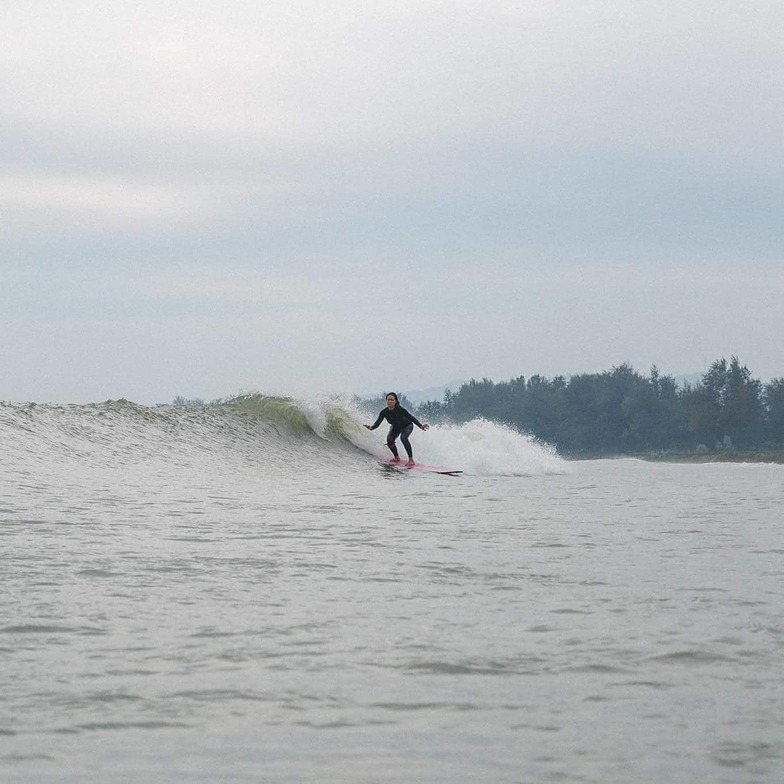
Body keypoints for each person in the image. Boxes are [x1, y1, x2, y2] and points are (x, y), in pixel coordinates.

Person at [365, 392, 430, 466]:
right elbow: (377, 423)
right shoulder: (384, 412)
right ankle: (396, 457)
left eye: (392, 400)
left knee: (403, 438)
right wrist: (371, 427)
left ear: (395, 401)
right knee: (389, 440)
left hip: (407, 425)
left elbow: (411, 417)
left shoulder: (401, 409)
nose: (390, 401)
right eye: (388, 400)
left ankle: (411, 460)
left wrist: (420, 426)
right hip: (396, 427)